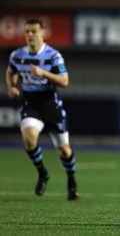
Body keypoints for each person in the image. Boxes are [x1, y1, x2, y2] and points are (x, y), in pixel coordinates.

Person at [5, 18, 79, 201]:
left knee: (64, 150)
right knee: (29, 140)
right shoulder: (17, 55)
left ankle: (71, 180)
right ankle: (43, 173)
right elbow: (10, 71)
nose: (29, 35)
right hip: (31, 105)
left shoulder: (53, 56)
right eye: (27, 32)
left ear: (43, 33)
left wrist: (43, 73)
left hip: (50, 106)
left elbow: (64, 81)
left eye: (33, 31)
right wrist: (12, 86)